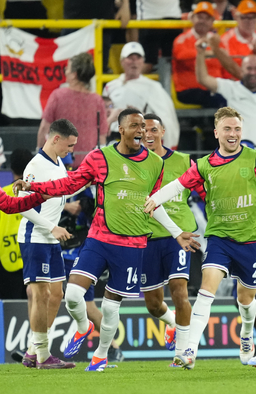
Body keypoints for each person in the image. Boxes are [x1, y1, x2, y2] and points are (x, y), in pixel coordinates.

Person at [13, 109, 200, 372]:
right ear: (120, 130)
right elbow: (70, 184)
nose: (141, 131)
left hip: (133, 244)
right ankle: (82, 327)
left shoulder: (156, 164)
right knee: (73, 295)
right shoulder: (99, 157)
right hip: (99, 239)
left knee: (111, 307)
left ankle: (100, 355)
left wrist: (176, 231)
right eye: (135, 126)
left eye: (143, 127)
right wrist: (34, 187)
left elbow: (153, 203)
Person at [144, 107, 256, 369]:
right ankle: (190, 350)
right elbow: (177, 185)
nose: (233, 134)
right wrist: (155, 199)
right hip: (219, 239)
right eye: (227, 129)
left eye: (237, 129)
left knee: (246, 300)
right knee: (206, 292)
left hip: (251, 240)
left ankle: (247, 334)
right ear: (216, 133)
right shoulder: (203, 165)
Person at [18, 119, 79, 369]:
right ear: (56, 139)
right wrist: (52, 226)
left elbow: (58, 194)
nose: (71, 150)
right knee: (41, 294)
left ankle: (33, 350)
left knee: (57, 294)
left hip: (51, 239)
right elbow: (23, 207)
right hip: (36, 237)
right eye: (69, 145)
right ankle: (43, 356)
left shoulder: (59, 162)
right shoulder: (35, 166)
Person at [140, 113, 197, 366]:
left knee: (179, 291)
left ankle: (183, 352)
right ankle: (173, 323)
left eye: (153, 129)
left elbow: (206, 189)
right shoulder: (136, 164)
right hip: (148, 236)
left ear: (163, 131)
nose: (148, 135)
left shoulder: (184, 161)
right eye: (144, 131)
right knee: (153, 304)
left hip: (178, 236)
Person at [103, 42, 181, 150]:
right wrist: (113, 116)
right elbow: (102, 115)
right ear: (122, 61)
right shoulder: (110, 87)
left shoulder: (153, 87)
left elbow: (167, 119)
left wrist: (143, 116)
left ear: (143, 61)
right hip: (113, 140)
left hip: (141, 141)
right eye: (130, 58)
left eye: (138, 58)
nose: (134, 62)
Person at [37, 53, 108, 168]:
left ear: (74, 74)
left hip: (59, 166)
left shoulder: (58, 96)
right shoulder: (97, 101)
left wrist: (40, 156)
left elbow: (44, 129)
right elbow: (102, 137)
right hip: (89, 167)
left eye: (68, 68)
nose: (65, 71)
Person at [172, 1, 227, 107]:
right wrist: (209, 53)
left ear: (212, 21)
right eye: (200, 17)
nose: (203, 21)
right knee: (218, 100)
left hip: (214, 87)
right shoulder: (182, 39)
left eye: (207, 18)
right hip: (189, 89)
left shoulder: (216, 40)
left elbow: (225, 59)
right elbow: (181, 56)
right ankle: (205, 123)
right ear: (192, 18)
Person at [0, 149, 34, 300]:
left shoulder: (4, 194)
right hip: (33, 260)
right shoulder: (37, 195)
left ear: (11, 168)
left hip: (7, 263)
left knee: (9, 310)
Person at [220, 0, 256, 68]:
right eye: (245, 17)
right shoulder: (226, 40)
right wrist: (253, 54)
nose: (250, 22)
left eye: (253, 17)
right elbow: (229, 69)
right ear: (237, 18)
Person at [136, 0, 183, 74]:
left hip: (171, 18)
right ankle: (133, 84)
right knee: (148, 63)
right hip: (150, 18)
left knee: (172, 62)